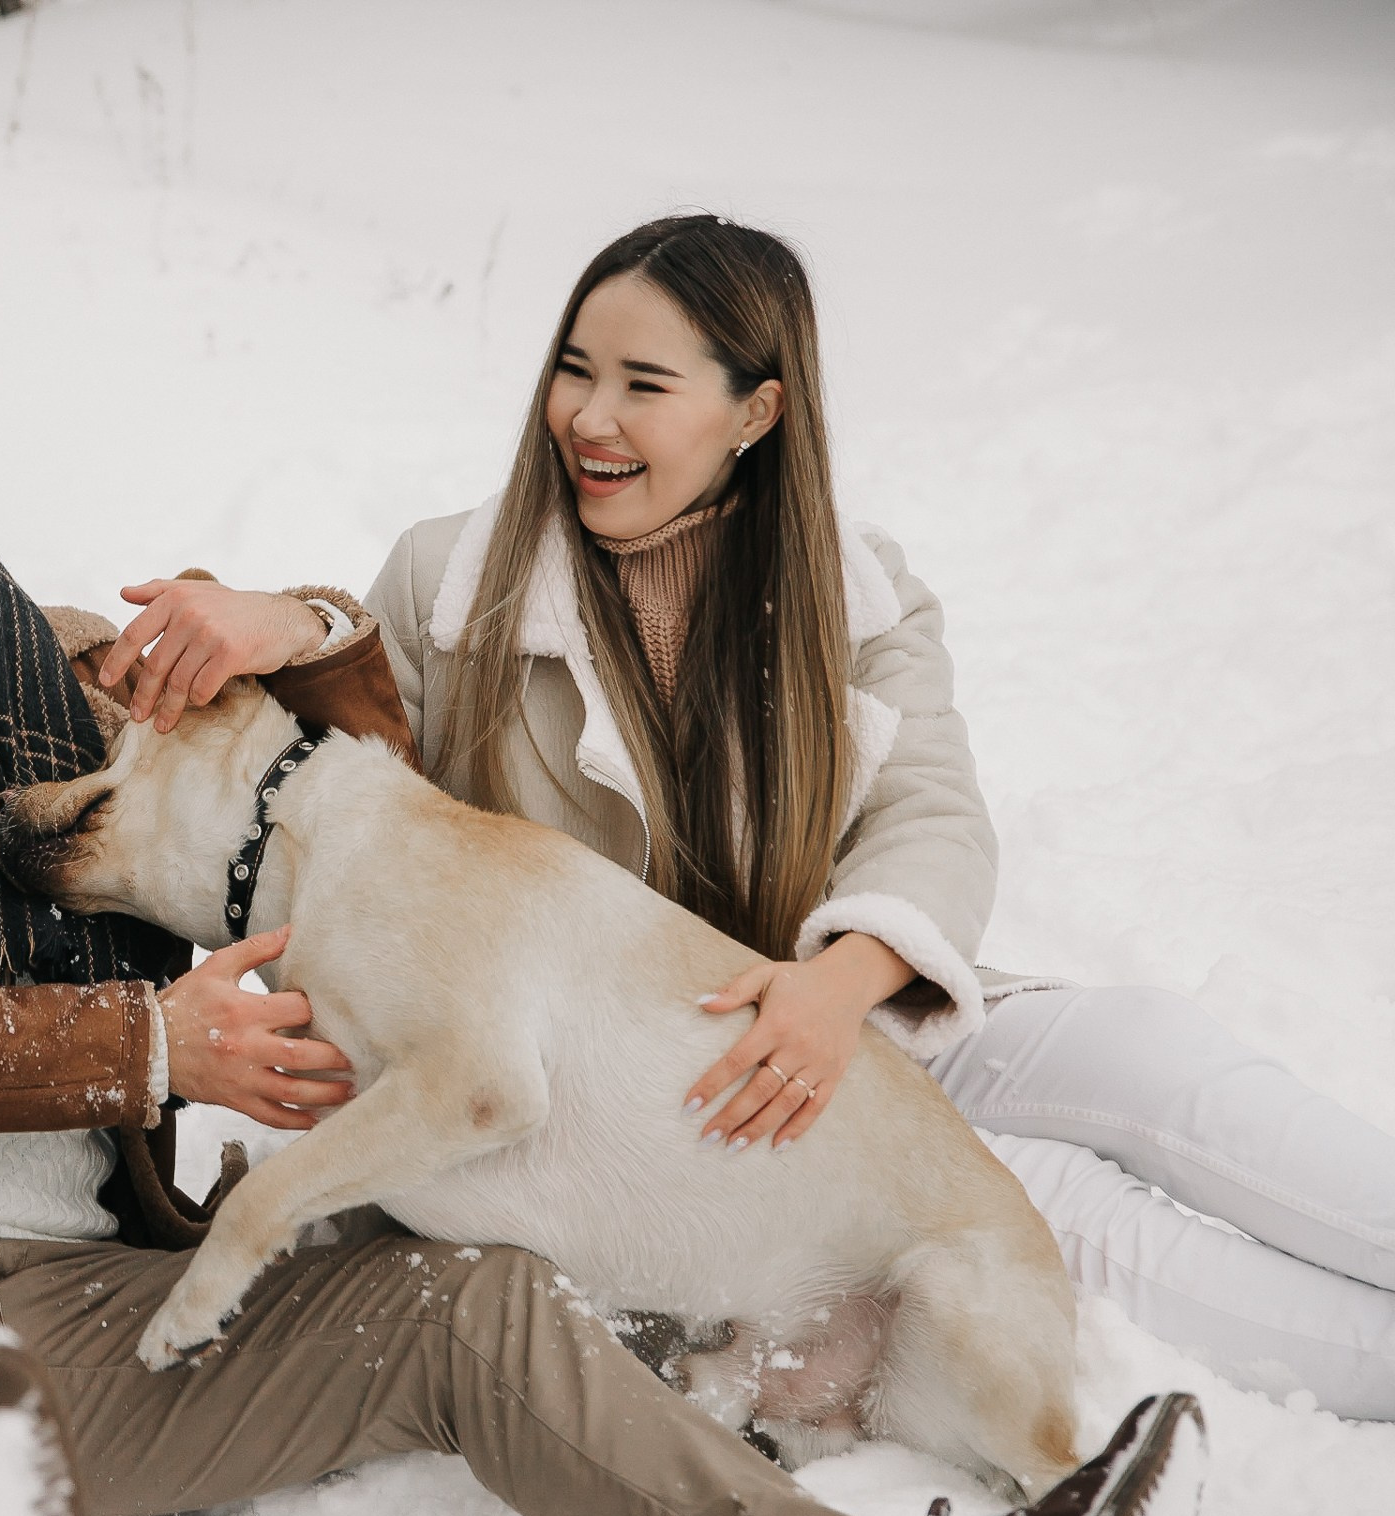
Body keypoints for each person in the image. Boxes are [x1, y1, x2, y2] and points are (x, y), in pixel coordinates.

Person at [0, 284, 1200, 1516]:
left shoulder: (56, 659)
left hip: (61, 1324)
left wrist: (300, 616)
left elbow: (349, 745)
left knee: (469, 1303)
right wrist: (151, 1052)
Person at [347, 212, 1395, 1420]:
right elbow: (363, 802)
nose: (589, 416)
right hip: (652, 1104)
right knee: (1051, 1201)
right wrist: (311, 632)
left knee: (1147, 1046)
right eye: (575, 369)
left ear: (757, 412)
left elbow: (933, 811)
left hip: (835, 1003)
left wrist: (840, 985)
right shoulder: (448, 583)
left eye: (643, 382)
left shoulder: (854, 587)